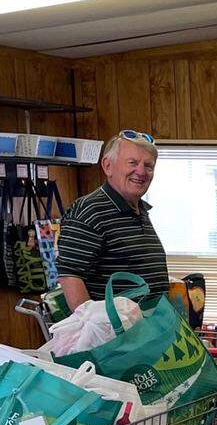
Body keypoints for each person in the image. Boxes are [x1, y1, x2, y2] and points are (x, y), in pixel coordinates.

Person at [57, 130, 167, 310]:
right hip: (116, 335)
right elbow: (70, 276)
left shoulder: (139, 209)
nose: (141, 171)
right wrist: (95, 328)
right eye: (132, 162)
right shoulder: (89, 210)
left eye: (148, 165)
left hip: (147, 330)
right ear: (108, 166)